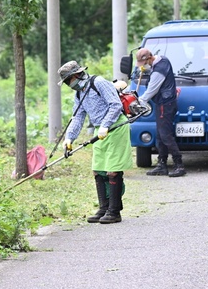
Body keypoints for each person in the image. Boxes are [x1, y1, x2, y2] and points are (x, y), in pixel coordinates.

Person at [58, 61, 133, 224]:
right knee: (98, 170)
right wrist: (69, 138)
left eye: (67, 80)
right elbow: (77, 116)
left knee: (113, 170)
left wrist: (105, 125)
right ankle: (104, 208)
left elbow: (115, 105)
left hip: (115, 127)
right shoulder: (79, 93)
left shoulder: (99, 83)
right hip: (101, 131)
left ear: (76, 75)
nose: (67, 84)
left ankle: (114, 212)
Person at [135, 48, 186, 177]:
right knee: (160, 135)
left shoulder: (159, 70)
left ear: (149, 58)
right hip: (165, 103)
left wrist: (139, 101)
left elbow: (152, 89)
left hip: (165, 104)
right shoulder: (163, 60)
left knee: (166, 136)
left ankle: (179, 165)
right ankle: (161, 165)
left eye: (143, 63)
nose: (143, 66)